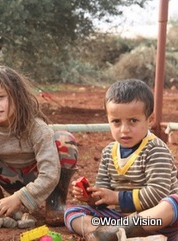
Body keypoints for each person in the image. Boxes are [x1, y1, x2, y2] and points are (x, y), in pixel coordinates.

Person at [0, 65, 78, 226]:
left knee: (65, 140)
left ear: (17, 96)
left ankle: (55, 204)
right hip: (8, 177)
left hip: (38, 180)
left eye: (0, 97)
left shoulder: (37, 129)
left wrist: (18, 198)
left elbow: (49, 174)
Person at [64, 79, 178, 241]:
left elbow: (157, 193)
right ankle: (106, 234)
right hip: (121, 220)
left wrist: (116, 197)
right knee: (72, 213)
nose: (124, 130)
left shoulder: (156, 150)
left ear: (150, 120)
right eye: (116, 122)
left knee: (173, 202)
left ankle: (116, 233)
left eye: (133, 121)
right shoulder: (109, 151)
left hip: (158, 222)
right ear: (108, 120)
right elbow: (104, 194)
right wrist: (91, 197)